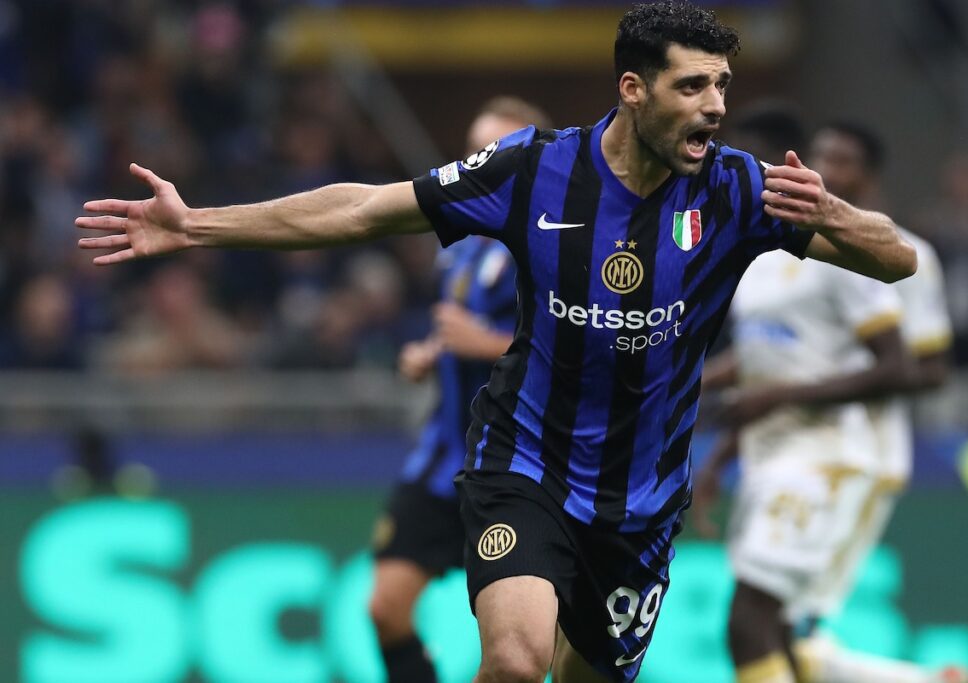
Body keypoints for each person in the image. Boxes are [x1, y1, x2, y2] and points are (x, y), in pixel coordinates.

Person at [76, 3, 916, 680]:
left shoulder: (735, 188)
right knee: (514, 661)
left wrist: (830, 210)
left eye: (722, 87)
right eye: (693, 87)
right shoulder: (532, 169)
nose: (716, 108)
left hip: (642, 504)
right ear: (633, 88)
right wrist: (199, 226)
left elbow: (898, 259)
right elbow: (364, 209)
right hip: (526, 467)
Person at [694, 119, 968, 683]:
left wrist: (781, 397)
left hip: (845, 454)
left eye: (843, 160)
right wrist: (721, 438)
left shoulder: (881, 256)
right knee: (796, 641)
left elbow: (916, 367)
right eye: (822, 156)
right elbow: (777, 357)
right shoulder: (768, 254)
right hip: (777, 451)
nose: (828, 169)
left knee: (757, 624)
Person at [368, 96, 550, 683]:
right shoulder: (464, 243)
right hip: (443, 454)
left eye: (494, 148)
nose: (480, 160)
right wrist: (431, 352)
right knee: (385, 609)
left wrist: (483, 343)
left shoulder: (552, 245)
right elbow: (460, 328)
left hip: (520, 464)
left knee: (510, 651)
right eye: (475, 147)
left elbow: (572, 348)